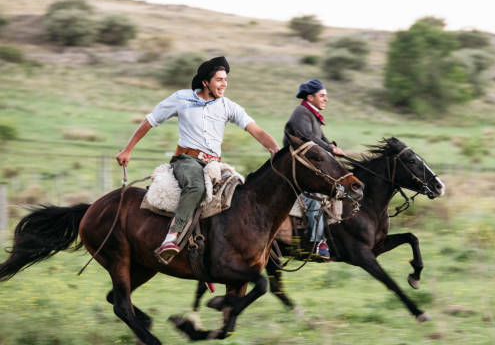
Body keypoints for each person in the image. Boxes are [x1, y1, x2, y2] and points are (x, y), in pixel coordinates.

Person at [116, 56, 280, 259]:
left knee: (240, 195)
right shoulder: (181, 99)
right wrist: (127, 150)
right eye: (219, 79)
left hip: (215, 164)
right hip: (186, 160)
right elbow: (150, 121)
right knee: (196, 187)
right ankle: (171, 237)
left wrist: (275, 148)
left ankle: (216, 249)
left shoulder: (228, 106)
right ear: (206, 82)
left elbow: (256, 130)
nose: (224, 84)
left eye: (226, 80)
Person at [283, 79, 345, 259]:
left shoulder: (313, 115)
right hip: (296, 168)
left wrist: (332, 147)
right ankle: (318, 243)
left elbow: (322, 141)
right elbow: (307, 137)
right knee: (313, 199)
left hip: (309, 166)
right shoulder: (301, 112)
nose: (326, 99)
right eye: (322, 96)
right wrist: (330, 149)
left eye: (326, 96)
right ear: (310, 97)